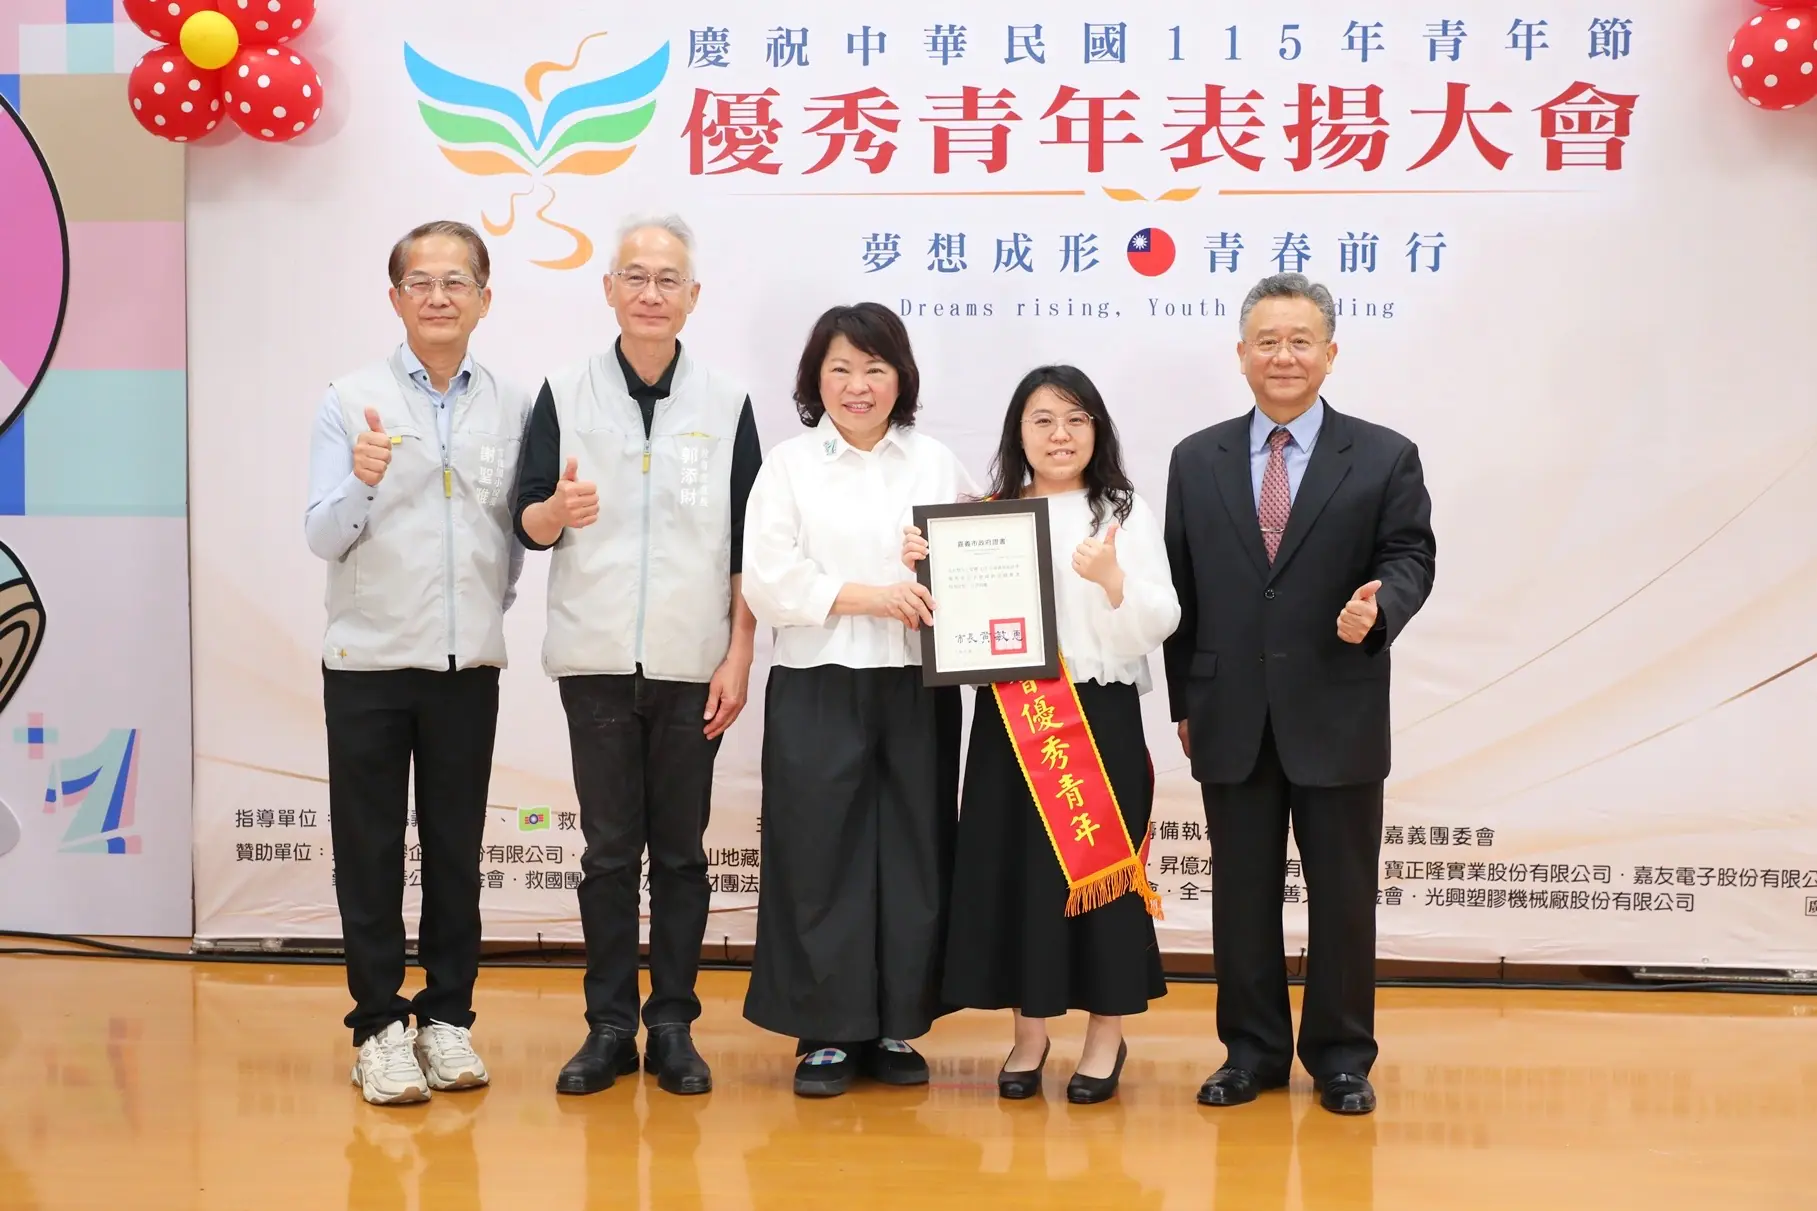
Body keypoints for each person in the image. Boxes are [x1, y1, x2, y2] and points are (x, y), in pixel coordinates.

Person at [1163, 272, 1436, 1116]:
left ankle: (1341, 1057)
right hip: (1229, 712)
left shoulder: (1383, 454)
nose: (1283, 355)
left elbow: (1409, 555)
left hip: (1336, 705)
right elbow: (1179, 587)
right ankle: (1249, 1053)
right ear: (1241, 354)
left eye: (1300, 340)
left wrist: (1380, 607)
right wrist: (1182, 699)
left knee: (1343, 895)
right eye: (1267, 341)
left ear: (1329, 352)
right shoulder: (1195, 458)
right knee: (1240, 893)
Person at [513, 214, 762, 1097]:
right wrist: (557, 513)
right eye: (635, 276)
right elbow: (527, 520)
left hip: (695, 663)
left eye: (667, 280)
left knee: (683, 853)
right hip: (595, 660)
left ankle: (674, 1024)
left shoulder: (727, 402)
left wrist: (739, 654)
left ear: (692, 297)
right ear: (609, 289)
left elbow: (748, 546)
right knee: (610, 852)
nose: (650, 293)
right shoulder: (564, 390)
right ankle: (610, 1025)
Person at [304, 220, 532, 1105]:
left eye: (456, 281)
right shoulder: (350, 397)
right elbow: (322, 534)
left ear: (484, 297)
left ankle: (445, 1018)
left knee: (455, 850)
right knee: (367, 849)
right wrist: (362, 476)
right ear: (395, 298)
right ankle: (376, 1026)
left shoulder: (511, 404)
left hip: (466, 665)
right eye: (422, 282)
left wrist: (480, 611)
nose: (439, 296)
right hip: (366, 661)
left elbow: (511, 534)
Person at [927, 365, 1180, 1105]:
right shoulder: (989, 515)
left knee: (1100, 878)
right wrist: (932, 568)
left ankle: (1105, 1035)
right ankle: (1029, 1033)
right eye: (1042, 420)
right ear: (1019, 433)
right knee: (1017, 874)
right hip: (1011, 721)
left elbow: (1161, 615)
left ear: (1097, 430)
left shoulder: (1122, 509)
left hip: (1097, 715)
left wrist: (1111, 579)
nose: (1059, 435)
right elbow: (963, 627)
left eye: (1075, 419)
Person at [740, 302, 972, 1098]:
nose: (857, 385)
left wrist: (944, 561)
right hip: (818, 680)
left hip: (915, 685)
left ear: (900, 377)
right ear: (816, 378)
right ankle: (828, 1032)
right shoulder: (789, 465)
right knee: (818, 856)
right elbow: (768, 581)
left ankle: (896, 1022)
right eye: (839, 368)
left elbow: (980, 563)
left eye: (874, 368)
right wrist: (872, 596)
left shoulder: (935, 462)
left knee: (913, 850)